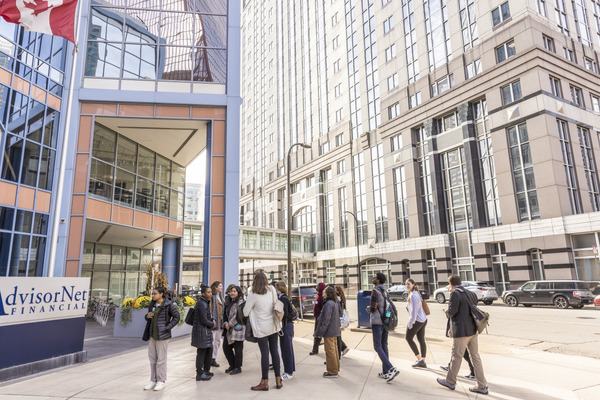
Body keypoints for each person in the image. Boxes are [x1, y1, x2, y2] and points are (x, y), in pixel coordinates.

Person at [437, 275, 489, 395]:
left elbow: (452, 311)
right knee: (475, 357)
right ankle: (482, 385)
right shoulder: (470, 293)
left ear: (451, 285)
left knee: (456, 356)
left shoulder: (455, 294)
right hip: (473, 330)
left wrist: (446, 312)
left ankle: (450, 381)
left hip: (461, 331)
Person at [244, 272, 283, 391]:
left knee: (265, 354)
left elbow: (245, 312)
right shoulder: (271, 289)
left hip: (261, 328)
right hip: (273, 326)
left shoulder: (253, 294)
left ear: (254, 281)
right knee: (274, 351)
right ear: (266, 280)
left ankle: (264, 382)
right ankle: (278, 380)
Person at [142, 287, 180, 391]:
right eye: (152, 293)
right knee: (152, 359)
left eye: (155, 293)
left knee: (161, 360)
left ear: (161, 294)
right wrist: (147, 316)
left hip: (163, 336)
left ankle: (161, 381)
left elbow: (177, 317)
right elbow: (148, 317)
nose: (153, 295)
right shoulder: (152, 304)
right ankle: (153, 380)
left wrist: (167, 328)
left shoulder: (168, 305)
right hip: (152, 335)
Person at [366, 273, 399, 383]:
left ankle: (391, 368)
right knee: (384, 345)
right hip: (385, 321)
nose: (373, 279)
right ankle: (386, 372)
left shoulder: (375, 291)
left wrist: (368, 308)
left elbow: (373, 307)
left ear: (378, 280)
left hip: (377, 321)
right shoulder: (385, 291)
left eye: (375, 277)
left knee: (377, 346)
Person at [314, 286, 341, 378]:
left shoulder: (328, 304)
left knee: (330, 351)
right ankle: (335, 369)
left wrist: (321, 332)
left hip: (329, 331)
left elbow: (326, 320)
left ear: (328, 293)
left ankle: (332, 371)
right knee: (334, 351)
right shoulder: (334, 302)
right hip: (334, 330)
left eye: (324, 291)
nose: (322, 293)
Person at [192, 285, 215, 381]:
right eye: (208, 292)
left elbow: (207, 317)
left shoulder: (205, 302)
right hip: (202, 332)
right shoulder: (202, 303)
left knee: (208, 351)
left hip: (205, 332)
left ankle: (206, 370)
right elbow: (203, 320)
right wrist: (212, 324)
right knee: (201, 353)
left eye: (211, 292)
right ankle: (200, 374)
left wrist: (212, 320)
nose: (210, 294)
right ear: (203, 293)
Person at [222, 285, 245, 375]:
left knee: (238, 349)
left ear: (238, 293)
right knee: (226, 347)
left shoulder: (241, 302)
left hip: (238, 328)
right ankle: (232, 365)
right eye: (231, 291)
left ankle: (238, 367)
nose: (232, 293)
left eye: (234, 291)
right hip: (228, 329)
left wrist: (230, 324)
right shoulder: (228, 301)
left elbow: (239, 316)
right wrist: (225, 323)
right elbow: (224, 314)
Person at [275, 281, 296, 380]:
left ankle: (288, 372)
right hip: (288, 326)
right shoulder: (285, 298)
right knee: (288, 349)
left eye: (276, 288)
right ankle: (290, 370)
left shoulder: (283, 299)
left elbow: (284, 314)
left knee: (286, 349)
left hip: (285, 326)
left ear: (279, 288)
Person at [405, 278, 428, 368]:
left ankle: (419, 360)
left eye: (409, 284)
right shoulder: (416, 293)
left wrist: (411, 323)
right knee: (421, 340)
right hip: (423, 319)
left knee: (408, 338)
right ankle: (423, 361)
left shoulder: (413, 295)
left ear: (414, 284)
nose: (407, 286)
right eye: (406, 284)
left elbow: (414, 311)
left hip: (417, 320)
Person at [210, 281, 224, 368]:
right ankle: (209, 358)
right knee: (212, 341)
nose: (221, 287)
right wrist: (212, 320)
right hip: (214, 324)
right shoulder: (212, 297)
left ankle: (213, 358)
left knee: (217, 342)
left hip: (220, 324)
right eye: (220, 286)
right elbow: (210, 310)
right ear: (215, 287)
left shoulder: (221, 297)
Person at [310, 282, 327, 355]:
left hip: (320, 318)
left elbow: (323, 309)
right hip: (317, 317)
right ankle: (315, 349)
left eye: (318, 286)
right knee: (318, 334)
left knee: (317, 334)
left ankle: (314, 350)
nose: (316, 287)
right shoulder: (318, 295)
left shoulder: (322, 297)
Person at [335, 285, 350, 357]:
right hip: (340, 320)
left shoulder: (338, 298)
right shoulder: (342, 298)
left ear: (337, 291)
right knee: (338, 336)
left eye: (335, 289)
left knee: (337, 337)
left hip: (338, 320)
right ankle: (344, 348)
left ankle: (343, 349)